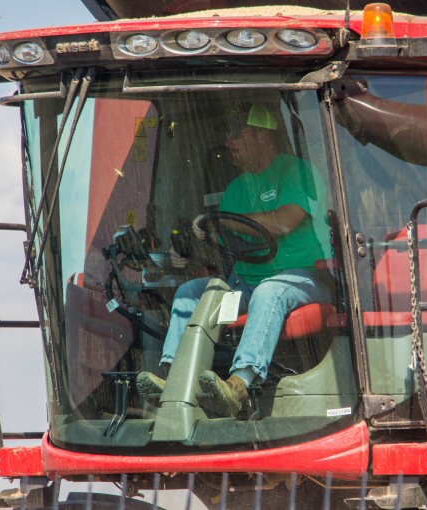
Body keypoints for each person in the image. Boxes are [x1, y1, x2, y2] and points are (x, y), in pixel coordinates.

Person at [136, 102, 332, 417]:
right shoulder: (235, 190)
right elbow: (228, 247)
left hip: (303, 277)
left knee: (270, 291)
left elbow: (283, 222)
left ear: (263, 137)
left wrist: (221, 220)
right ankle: (172, 377)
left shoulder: (296, 172)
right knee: (193, 292)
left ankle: (238, 385)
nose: (229, 143)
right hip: (246, 280)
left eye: (237, 135)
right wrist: (192, 250)